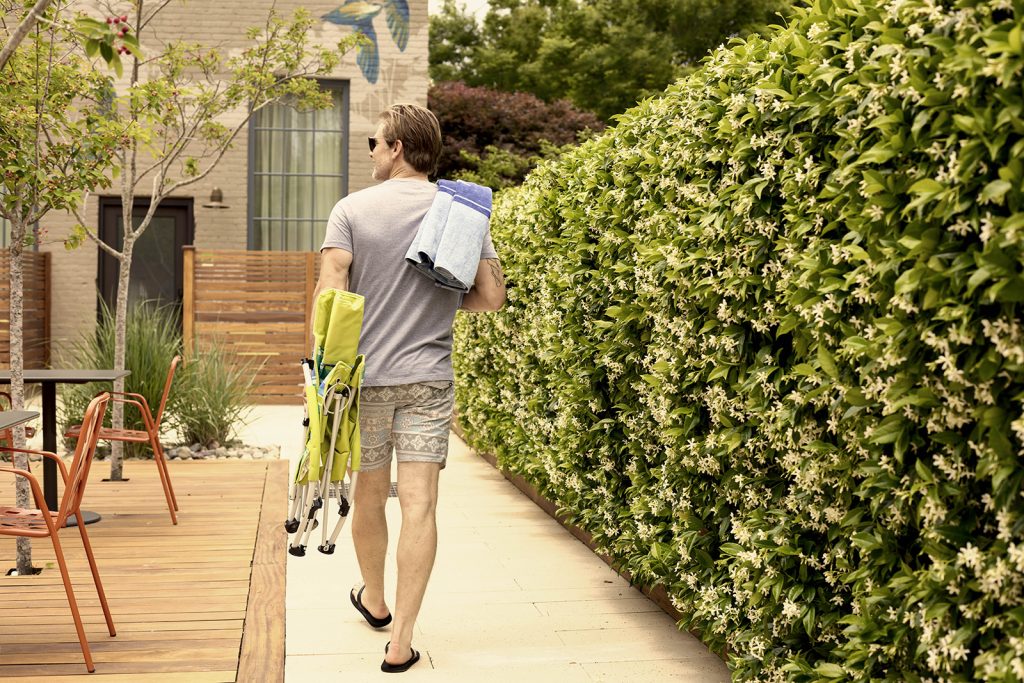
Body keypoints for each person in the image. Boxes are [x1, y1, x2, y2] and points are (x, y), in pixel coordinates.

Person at [313, 102, 506, 673]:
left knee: (369, 495)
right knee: (420, 505)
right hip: (428, 378)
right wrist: (437, 304)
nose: (369, 151)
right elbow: (491, 297)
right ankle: (401, 640)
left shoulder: (350, 210)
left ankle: (373, 599)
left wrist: (323, 375)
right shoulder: (463, 209)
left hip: (363, 381)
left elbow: (331, 295)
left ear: (396, 147)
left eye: (374, 142)